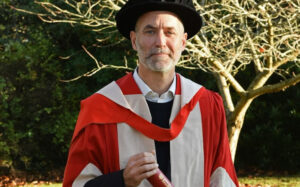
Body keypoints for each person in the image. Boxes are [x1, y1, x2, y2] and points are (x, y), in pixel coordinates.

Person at [63, 0, 239, 186]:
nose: (160, 42)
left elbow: (222, 179)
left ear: (183, 42)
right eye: (150, 31)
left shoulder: (207, 105)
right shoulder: (101, 108)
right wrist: (121, 180)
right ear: (134, 40)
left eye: (170, 32)